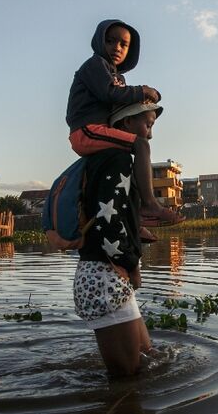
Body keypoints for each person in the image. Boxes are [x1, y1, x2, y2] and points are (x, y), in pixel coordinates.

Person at [66, 18, 183, 228]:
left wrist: (142, 99)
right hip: (86, 130)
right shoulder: (95, 65)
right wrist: (143, 90)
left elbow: (120, 103)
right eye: (110, 41)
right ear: (99, 41)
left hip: (100, 129)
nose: (116, 48)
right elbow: (110, 93)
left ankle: (134, 218)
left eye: (123, 44)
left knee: (129, 162)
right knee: (141, 145)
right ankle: (149, 204)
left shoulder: (116, 76)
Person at [73, 143, 153, 378]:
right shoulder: (117, 160)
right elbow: (108, 225)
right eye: (147, 123)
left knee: (147, 359)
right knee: (127, 377)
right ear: (127, 122)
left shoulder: (100, 160)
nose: (149, 131)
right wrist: (133, 266)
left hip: (107, 278)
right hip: (106, 280)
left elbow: (113, 218)